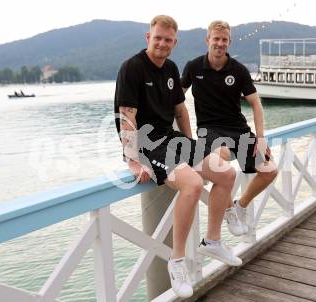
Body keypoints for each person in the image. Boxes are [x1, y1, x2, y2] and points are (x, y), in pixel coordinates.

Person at [114, 15, 241, 298]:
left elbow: (181, 110)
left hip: (173, 140)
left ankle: (213, 240)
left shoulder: (171, 68)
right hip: (148, 144)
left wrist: (191, 143)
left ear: (175, 42)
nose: (162, 43)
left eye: (168, 40)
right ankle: (178, 260)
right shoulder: (132, 68)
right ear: (148, 38)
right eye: (157, 38)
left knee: (226, 173)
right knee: (193, 184)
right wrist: (132, 159)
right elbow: (127, 116)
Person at [181, 20, 278, 237]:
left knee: (270, 170)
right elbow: (176, 100)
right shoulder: (193, 67)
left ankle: (240, 206)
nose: (220, 43)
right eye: (216, 39)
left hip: (238, 128)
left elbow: (256, 103)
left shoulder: (239, 70)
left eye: (224, 40)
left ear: (229, 42)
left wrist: (260, 137)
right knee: (222, 157)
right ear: (208, 40)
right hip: (209, 129)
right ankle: (227, 213)